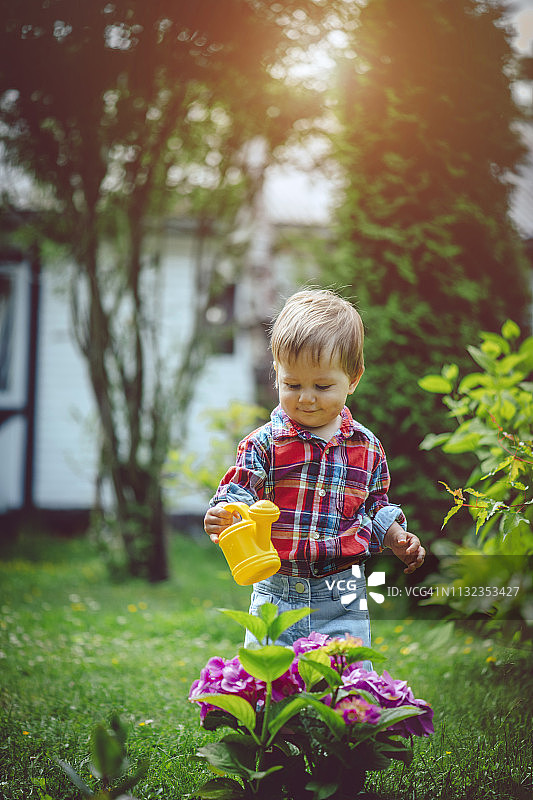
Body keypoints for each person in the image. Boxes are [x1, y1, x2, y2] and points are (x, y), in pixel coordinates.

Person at [204, 288, 425, 648]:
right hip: (276, 592)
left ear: (353, 379)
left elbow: (374, 506)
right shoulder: (264, 444)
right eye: (292, 384)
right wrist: (224, 513)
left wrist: (396, 537)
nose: (306, 397)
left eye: (322, 385)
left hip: (343, 594)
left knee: (346, 680)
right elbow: (239, 492)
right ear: (276, 373)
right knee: (270, 684)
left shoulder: (366, 447)